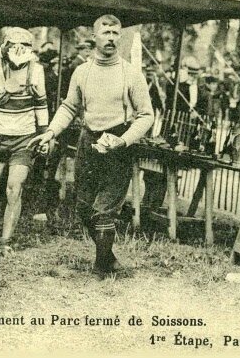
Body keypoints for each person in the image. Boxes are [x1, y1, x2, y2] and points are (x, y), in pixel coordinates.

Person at [29, 14, 153, 278]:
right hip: (88, 140)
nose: (110, 38)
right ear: (94, 37)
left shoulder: (131, 74)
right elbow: (69, 106)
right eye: (105, 32)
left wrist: (124, 140)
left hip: (119, 143)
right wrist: (50, 132)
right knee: (84, 208)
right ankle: (110, 260)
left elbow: (146, 115)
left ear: (120, 37)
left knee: (105, 210)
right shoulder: (82, 71)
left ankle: (100, 269)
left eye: (115, 33)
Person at [0, 27, 48, 253]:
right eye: (13, 44)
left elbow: (41, 104)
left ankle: (6, 241)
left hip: (24, 138)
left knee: (14, 188)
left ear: (31, 49)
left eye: (24, 45)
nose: (19, 49)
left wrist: (44, 135)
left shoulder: (36, 70)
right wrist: (1, 51)